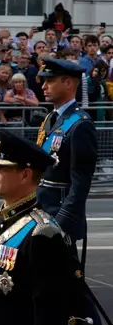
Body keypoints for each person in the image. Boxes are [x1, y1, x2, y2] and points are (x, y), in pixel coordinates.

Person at [0, 129, 96, 325]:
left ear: (25, 175)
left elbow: (50, 314)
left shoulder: (42, 233)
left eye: (1, 168)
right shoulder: (3, 218)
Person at [36, 58, 97, 246]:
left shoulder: (80, 124)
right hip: (42, 212)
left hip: (59, 219)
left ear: (68, 83)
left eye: (50, 81)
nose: (44, 87)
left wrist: (61, 223)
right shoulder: (50, 118)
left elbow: (80, 183)